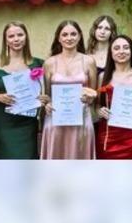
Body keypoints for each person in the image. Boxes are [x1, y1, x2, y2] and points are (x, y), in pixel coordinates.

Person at [0, 22, 45, 159]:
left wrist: (44, 99)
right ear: (5, 40)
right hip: (3, 122)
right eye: (11, 36)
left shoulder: (38, 63)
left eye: (20, 35)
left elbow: (46, 91)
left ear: (26, 37)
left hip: (28, 122)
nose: (16, 39)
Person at [41, 21, 97, 159]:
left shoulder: (89, 61)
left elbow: (93, 93)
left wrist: (89, 98)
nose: (69, 38)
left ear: (79, 36)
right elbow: (47, 96)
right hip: (56, 119)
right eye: (64, 34)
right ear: (59, 38)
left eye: (73, 34)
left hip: (81, 118)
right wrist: (47, 104)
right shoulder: (49, 63)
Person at [95, 35, 132, 159]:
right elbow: (97, 105)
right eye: (117, 48)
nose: (121, 51)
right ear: (111, 53)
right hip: (107, 137)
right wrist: (99, 111)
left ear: (131, 51)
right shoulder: (103, 77)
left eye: (126, 48)